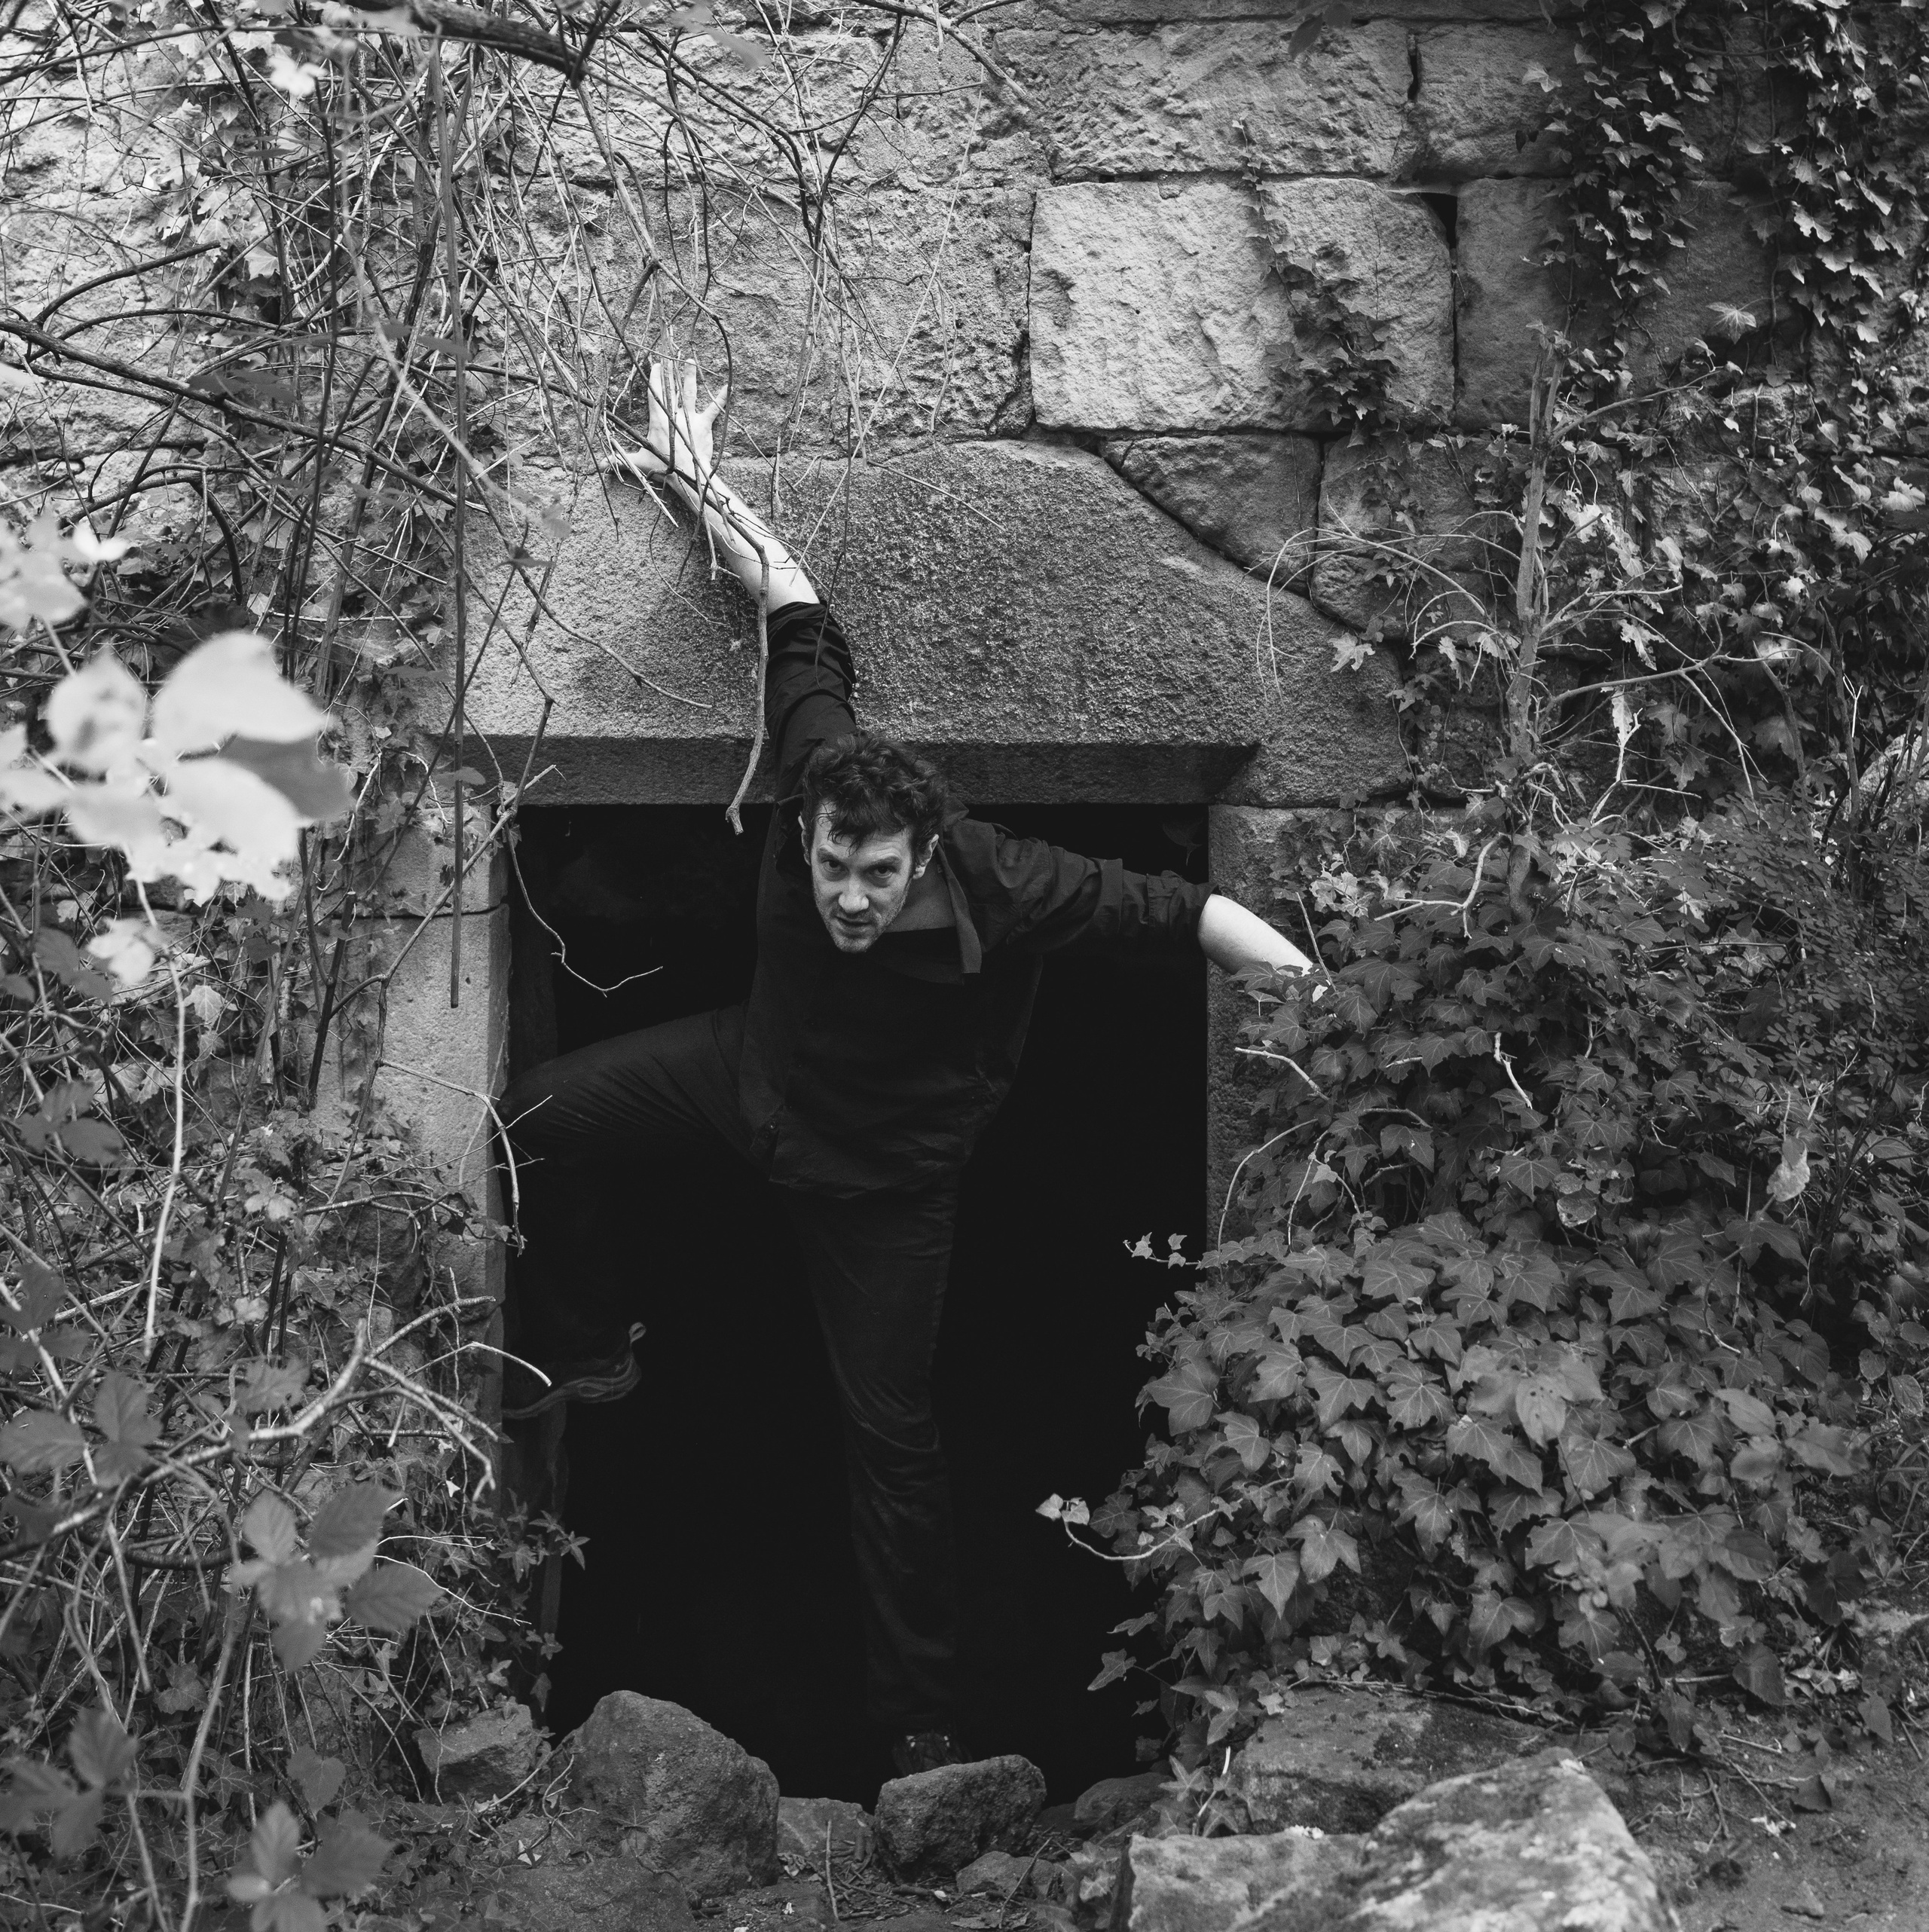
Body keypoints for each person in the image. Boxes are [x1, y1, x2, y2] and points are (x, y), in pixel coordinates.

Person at [499, 362, 1317, 1778]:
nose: (849, 900)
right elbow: (797, 601)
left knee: (892, 1446)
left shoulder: (1011, 881)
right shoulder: (823, 764)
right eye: (831, 868)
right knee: (530, 1121)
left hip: (889, 1185)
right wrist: (695, 466)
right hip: (747, 1082)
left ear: (924, 856)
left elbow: (1182, 914)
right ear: (811, 826)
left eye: (877, 877)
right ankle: (589, 1346)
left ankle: (921, 1728)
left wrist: (1311, 987)